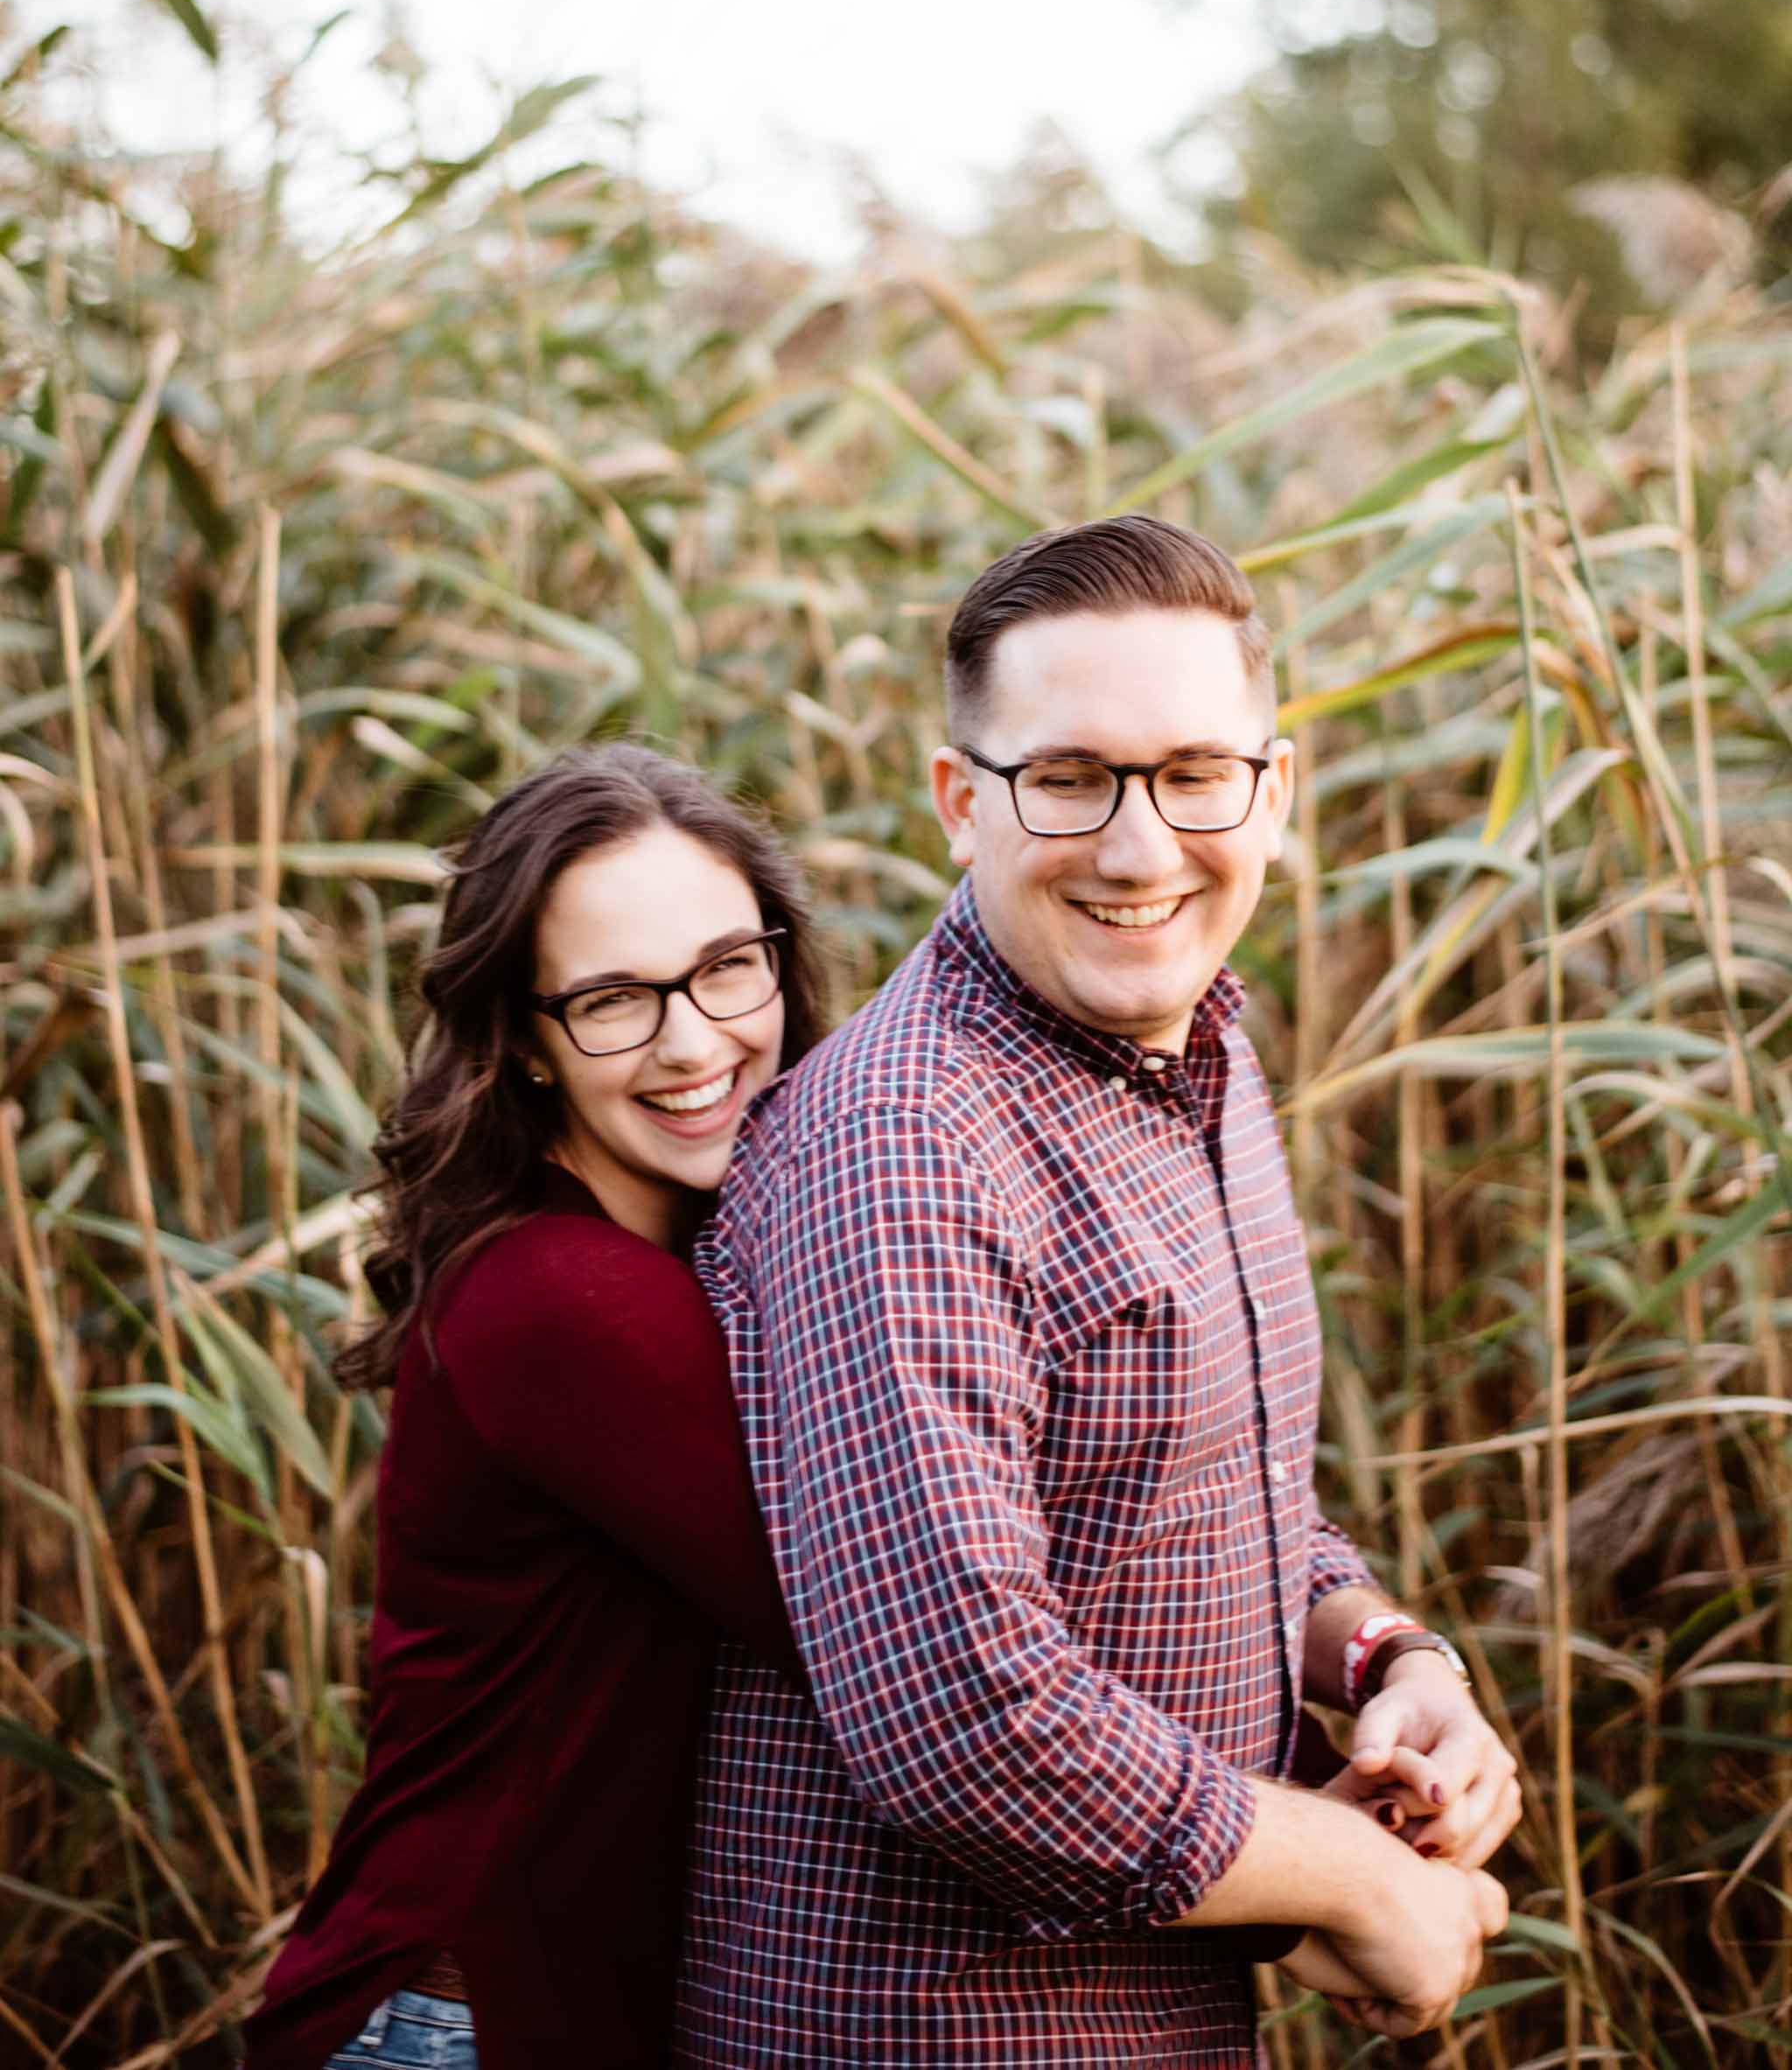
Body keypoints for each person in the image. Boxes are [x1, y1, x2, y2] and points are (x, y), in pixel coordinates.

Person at [680, 515, 1521, 2067]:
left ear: (1274, 791)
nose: (1141, 850)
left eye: (1197, 773)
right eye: (1068, 779)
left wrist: (1397, 1662)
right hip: (937, 2034)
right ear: (959, 802)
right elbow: (968, 1723)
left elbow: (1215, 1493)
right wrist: (1353, 1884)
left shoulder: (1197, 1051)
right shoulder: (907, 1144)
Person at [244, 745, 827, 2070]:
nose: (694, 1043)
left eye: (730, 967)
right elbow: (890, 1622)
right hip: (456, 2026)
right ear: (522, 1041)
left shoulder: (678, 1257)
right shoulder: (562, 1296)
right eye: (616, 999)